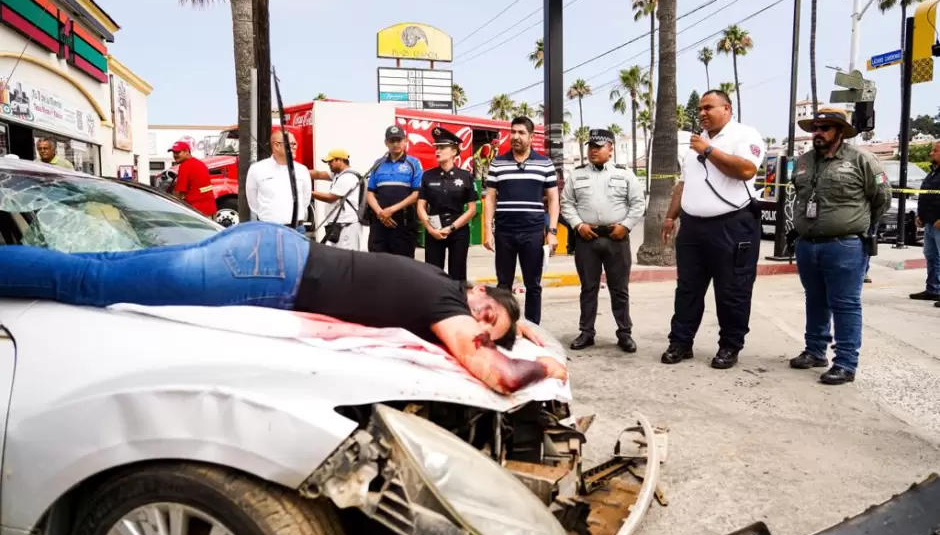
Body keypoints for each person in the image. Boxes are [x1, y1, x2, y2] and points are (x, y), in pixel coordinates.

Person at [0, 223, 567, 395]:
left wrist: (525, 329)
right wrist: (546, 366)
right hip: (265, 272)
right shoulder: (447, 298)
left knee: (99, 264)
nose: (480, 332)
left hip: (269, 249)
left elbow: (500, 333)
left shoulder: (439, 279)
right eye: (489, 320)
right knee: (91, 281)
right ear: (480, 296)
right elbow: (499, 374)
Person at [660, 90, 765, 370]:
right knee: (688, 290)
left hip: (733, 225)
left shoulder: (744, 136)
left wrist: (708, 151)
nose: (703, 113)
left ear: (727, 109)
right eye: (700, 109)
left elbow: (745, 170)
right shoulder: (696, 143)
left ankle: (729, 346)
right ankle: (681, 342)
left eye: (709, 107)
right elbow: (683, 184)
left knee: (732, 291)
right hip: (693, 228)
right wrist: (671, 217)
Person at [788, 107, 891, 385]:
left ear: (840, 132)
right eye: (815, 129)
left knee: (845, 304)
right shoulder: (804, 161)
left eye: (825, 128)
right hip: (808, 244)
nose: (817, 133)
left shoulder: (861, 159)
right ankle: (814, 351)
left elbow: (881, 198)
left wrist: (859, 226)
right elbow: (798, 196)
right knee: (815, 299)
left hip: (844, 245)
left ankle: (845, 363)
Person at [561, 129, 646, 352]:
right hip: (587, 239)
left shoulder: (625, 174)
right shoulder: (576, 175)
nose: (593, 150)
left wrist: (625, 226)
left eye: (599, 146)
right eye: (591, 146)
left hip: (616, 238)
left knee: (619, 290)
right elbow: (566, 203)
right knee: (588, 288)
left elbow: (638, 203)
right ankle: (586, 333)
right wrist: (578, 225)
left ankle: (624, 334)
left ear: (611, 148)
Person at [483, 116, 560, 325]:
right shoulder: (498, 163)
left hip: (533, 232)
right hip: (504, 232)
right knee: (503, 285)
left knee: (533, 285)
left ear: (531, 137)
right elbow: (490, 198)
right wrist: (487, 231)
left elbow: (553, 199)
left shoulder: (544, 163)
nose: (515, 137)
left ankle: (533, 327)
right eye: (513, 132)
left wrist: (552, 233)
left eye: (521, 133)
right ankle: (504, 327)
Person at [417, 127, 478, 284]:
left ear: (454, 151)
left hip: (458, 231)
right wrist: (430, 229)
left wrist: (451, 228)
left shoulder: (465, 176)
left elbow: (472, 209)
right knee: (432, 275)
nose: (438, 151)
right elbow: (420, 206)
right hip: (434, 229)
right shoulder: (428, 175)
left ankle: (457, 306)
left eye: (442, 147)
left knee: (457, 276)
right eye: (437, 147)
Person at [366, 125, 424, 258]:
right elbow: (370, 194)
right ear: (386, 143)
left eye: (399, 140)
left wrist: (391, 210)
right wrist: (381, 213)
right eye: (392, 141)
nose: (396, 144)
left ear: (405, 141)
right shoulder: (378, 163)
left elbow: (416, 194)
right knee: (377, 264)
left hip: (403, 222)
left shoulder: (414, 163)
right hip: (379, 222)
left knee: (404, 266)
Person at [246, 130, 312, 232]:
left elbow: (305, 200)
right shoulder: (257, 169)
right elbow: (253, 201)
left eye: (295, 144)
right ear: (276, 145)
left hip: (296, 229)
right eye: (292, 144)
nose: (295, 147)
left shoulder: (302, 170)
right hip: (268, 230)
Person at [310, 148, 362, 250]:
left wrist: (307, 192)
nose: (328, 164)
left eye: (330, 161)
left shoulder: (347, 177)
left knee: (346, 259)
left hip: (346, 226)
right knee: (340, 258)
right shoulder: (339, 175)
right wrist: (299, 171)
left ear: (340, 160)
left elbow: (331, 198)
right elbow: (319, 174)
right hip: (340, 225)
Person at [911, 140, 940, 306]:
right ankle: (933, 289)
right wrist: (920, 215)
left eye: (935, 150)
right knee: (931, 257)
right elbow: (926, 195)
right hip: (929, 223)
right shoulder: (933, 172)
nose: (931, 153)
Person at [169, 140, 217, 218]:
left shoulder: (184, 167)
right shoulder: (200, 163)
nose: (175, 155)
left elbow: (178, 193)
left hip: (197, 213)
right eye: (173, 153)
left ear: (187, 152)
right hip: (210, 210)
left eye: (177, 152)